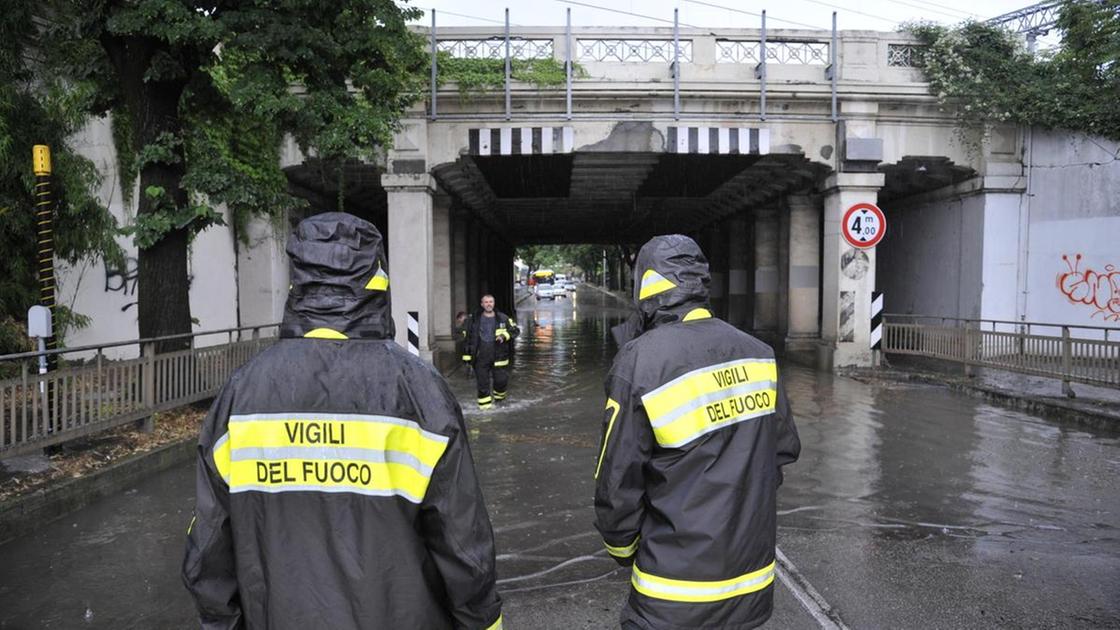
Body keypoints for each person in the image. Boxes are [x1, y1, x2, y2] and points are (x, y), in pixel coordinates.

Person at [182, 213, 503, 630]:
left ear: (297, 285)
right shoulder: (418, 391)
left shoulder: (241, 393)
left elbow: (208, 547)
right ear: (377, 284)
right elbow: (463, 542)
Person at [594, 234, 801, 630]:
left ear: (647, 285)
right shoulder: (759, 353)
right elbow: (782, 452)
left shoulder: (640, 361)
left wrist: (623, 548)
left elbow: (617, 481)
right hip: (752, 583)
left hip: (672, 589)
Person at [461, 295, 519, 409]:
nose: (488, 304)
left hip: (499, 357)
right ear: (482, 304)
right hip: (480, 358)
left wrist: (504, 336)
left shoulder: (503, 318)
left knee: (501, 382)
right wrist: (467, 358)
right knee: (483, 385)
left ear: (494, 303)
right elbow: (467, 339)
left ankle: (499, 400)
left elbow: (515, 331)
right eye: (486, 302)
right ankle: (485, 410)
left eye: (491, 302)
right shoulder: (473, 320)